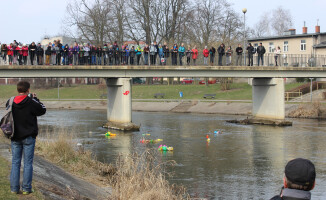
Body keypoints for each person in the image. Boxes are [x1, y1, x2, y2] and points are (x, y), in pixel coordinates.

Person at [8, 81, 46, 195]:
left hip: (15, 136)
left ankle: (14, 189)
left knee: (15, 162)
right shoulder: (31, 102)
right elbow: (42, 110)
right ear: (28, 90)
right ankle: (26, 188)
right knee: (28, 163)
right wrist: (35, 99)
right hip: (29, 137)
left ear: (17, 90)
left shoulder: (10, 101)